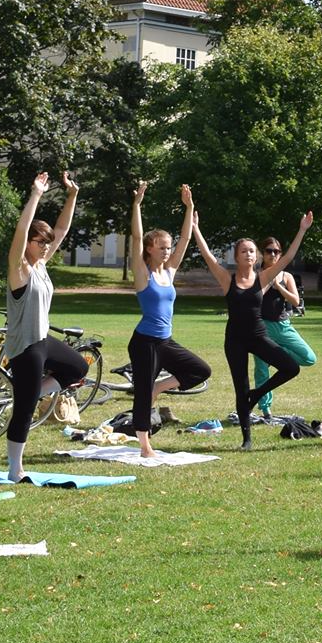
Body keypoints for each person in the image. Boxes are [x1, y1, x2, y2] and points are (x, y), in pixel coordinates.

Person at [192, 206, 313, 450]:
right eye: (244, 251)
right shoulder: (228, 279)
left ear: (256, 257)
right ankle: (247, 439)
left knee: (291, 367)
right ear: (236, 257)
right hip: (235, 339)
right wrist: (195, 227)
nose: (249, 254)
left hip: (258, 336)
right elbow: (207, 255)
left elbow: (287, 257)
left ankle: (258, 395)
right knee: (241, 387)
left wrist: (302, 230)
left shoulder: (264, 278)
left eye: (251, 251)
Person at [2, 170, 89, 482]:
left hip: (42, 339)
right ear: (28, 242)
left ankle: (31, 391)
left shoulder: (39, 265)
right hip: (24, 347)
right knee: (23, 411)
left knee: (78, 367)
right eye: (39, 242)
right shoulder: (19, 270)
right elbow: (21, 232)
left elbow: (62, 229)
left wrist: (72, 195)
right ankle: (15, 469)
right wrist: (36, 194)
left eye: (46, 244)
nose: (44, 247)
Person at [126, 181, 204, 461]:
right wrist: (136, 205)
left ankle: (159, 386)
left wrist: (189, 207)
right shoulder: (142, 273)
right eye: (162, 247)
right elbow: (135, 238)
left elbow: (185, 240)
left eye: (168, 247)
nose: (167, 251)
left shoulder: (169, 272)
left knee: (200, 370)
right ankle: (145, 446)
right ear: (150, 248)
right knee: (143, 395)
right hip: (144, 342)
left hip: (165, 341)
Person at [250, 235, 318, 420]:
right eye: (269, 251)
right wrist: (266, 283)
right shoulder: (256, 274)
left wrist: (280, 288)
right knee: (261, 369)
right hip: (261, 327)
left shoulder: (286, 276)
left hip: (282, 326)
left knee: (309, 357)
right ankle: (266, 410)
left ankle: (278, 354)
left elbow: (296, 301)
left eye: (277, 251)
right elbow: (251, 298)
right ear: (262, 254)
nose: (273, 255)